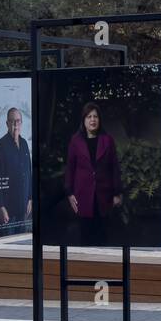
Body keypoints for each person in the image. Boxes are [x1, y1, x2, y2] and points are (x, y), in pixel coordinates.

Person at [64, 102, 123, 245]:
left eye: (95, 116)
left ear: (99, 119)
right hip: (82, 195)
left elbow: (114, 167)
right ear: (83, 120)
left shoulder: (107, 140)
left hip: (104, 195)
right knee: (85, 235)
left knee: (103, 236)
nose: (92, 120)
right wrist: (69, 193)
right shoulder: (75, 141)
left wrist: (117, 193)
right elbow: (70, 167)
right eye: (89, 116)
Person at [0, 107, 32, 232]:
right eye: (12, 121)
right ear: (7, 123)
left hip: (22, 207)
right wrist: (0, 207)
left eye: (18, 121)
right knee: (6, 245)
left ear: (21, 123)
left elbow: (29, 173)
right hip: (7, 210)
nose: (15, 124)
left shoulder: (24, 143)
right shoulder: (1, 145)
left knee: (21, 245)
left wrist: (30, 198)